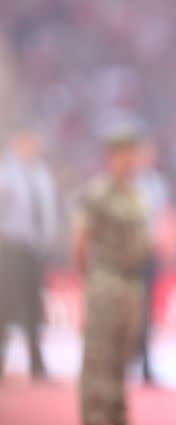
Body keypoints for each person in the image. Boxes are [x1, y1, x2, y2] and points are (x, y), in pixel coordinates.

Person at [73, 124, 149, 425]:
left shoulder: (138, 194)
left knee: (122, 358)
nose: (130, 160)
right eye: (123, 154)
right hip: (106, 282)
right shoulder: (98, 193)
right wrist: (93, 281)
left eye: (133, 154)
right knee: (98, 361)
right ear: (111, 156)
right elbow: (80, 241)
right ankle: (95, 418)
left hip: (132, 285)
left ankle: (117, 417)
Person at [0, 129, 57, 380]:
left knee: (34, 306)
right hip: (10, 248)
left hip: (35, 250)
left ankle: (36, 361)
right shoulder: (6, 172)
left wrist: (47, 239)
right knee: (5, 305)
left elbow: (48, 209)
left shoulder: (41, 173)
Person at [135, 138, 170, 385]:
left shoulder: (157, 183)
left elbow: (162, 219)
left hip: (150, 253)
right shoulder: (129, 182)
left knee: (146, 311)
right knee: (130, 309)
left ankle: (146, 364)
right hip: (129, 254)